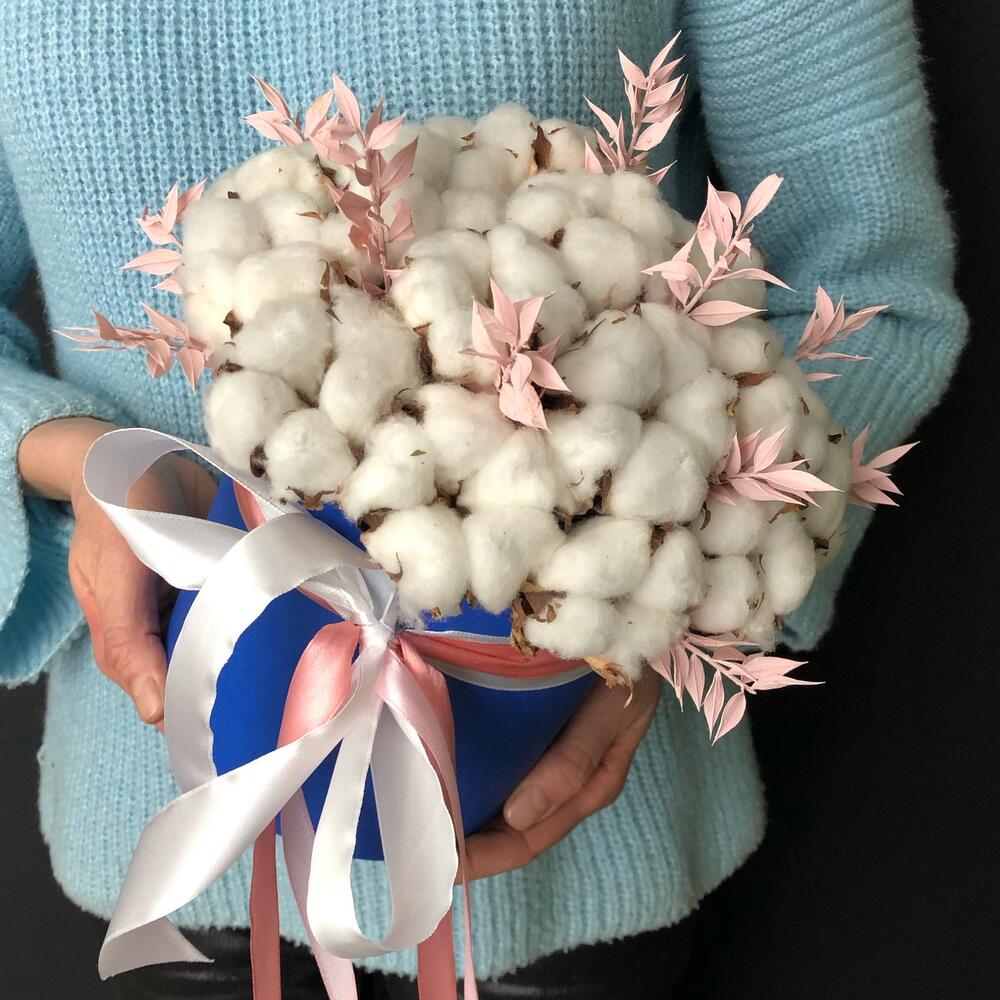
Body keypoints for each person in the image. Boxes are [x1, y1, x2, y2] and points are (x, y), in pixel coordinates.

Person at [0, 0, 966, 997]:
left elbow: (869, 278)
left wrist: (669, 599)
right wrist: (72, 456)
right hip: (172, 845)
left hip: (574, 849)